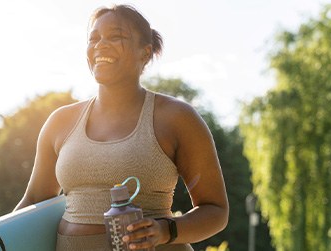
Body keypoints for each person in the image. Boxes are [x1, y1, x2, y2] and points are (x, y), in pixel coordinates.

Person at [14, 4, 229, 251]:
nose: (100, 45)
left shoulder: (177, 118)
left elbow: (216, 210)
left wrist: (164, 231)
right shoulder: (60, 122)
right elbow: (33, 201)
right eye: (93, 38)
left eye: (115, 36)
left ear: (145, 53)